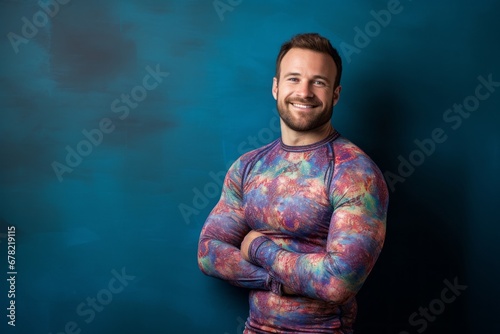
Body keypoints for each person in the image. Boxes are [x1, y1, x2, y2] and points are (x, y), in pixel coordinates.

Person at [197, 32, 389, 333]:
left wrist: (258, 247)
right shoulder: (248, 167)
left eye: (319, 82)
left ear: (335, 94)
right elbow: (209, 252)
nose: (305, 92)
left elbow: (338, 282)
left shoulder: (354, 173)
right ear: (276, 87)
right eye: (294, 79)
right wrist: (275, 281)